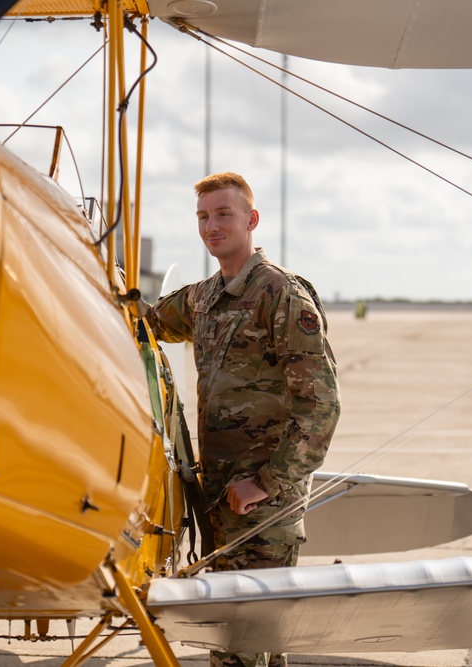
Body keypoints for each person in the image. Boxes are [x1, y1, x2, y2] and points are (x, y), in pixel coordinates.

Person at [146, 173, 341, 667]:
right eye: (204, 217)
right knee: (253, 647)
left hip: (262, 505)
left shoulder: (282, 295)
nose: (212, 226)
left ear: (251, 220)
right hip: (219, 497)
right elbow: (144, 322)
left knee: (240, 646)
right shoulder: (204, 297)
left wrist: (266, 483)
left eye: (224, 214)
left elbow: (319, 406)